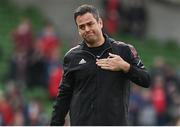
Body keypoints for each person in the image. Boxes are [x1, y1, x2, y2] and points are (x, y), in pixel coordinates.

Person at [50, 4, 150, 126]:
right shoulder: (72, 57)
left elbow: (146, 80)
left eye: (90, 24)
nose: (87, 29)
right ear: (78, 30)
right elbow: (63, 97)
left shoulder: (123, 50)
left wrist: (125, 66)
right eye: (82, 27)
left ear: (100, 23)